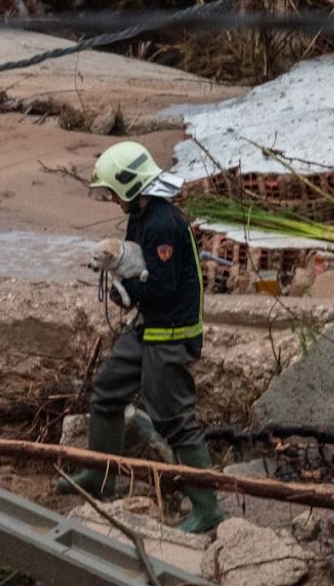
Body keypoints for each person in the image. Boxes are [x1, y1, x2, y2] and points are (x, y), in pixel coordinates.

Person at [58, 141, 224, 534]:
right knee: (107, 390)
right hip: (150, 326)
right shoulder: (143, 215)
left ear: (129, 185)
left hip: (170, 332)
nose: (113, 200)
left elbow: (163, 288)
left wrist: (126, 293)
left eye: (113, 192)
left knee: (174, 419)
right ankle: (101, 476)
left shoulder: (164, 223)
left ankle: (208, 508)